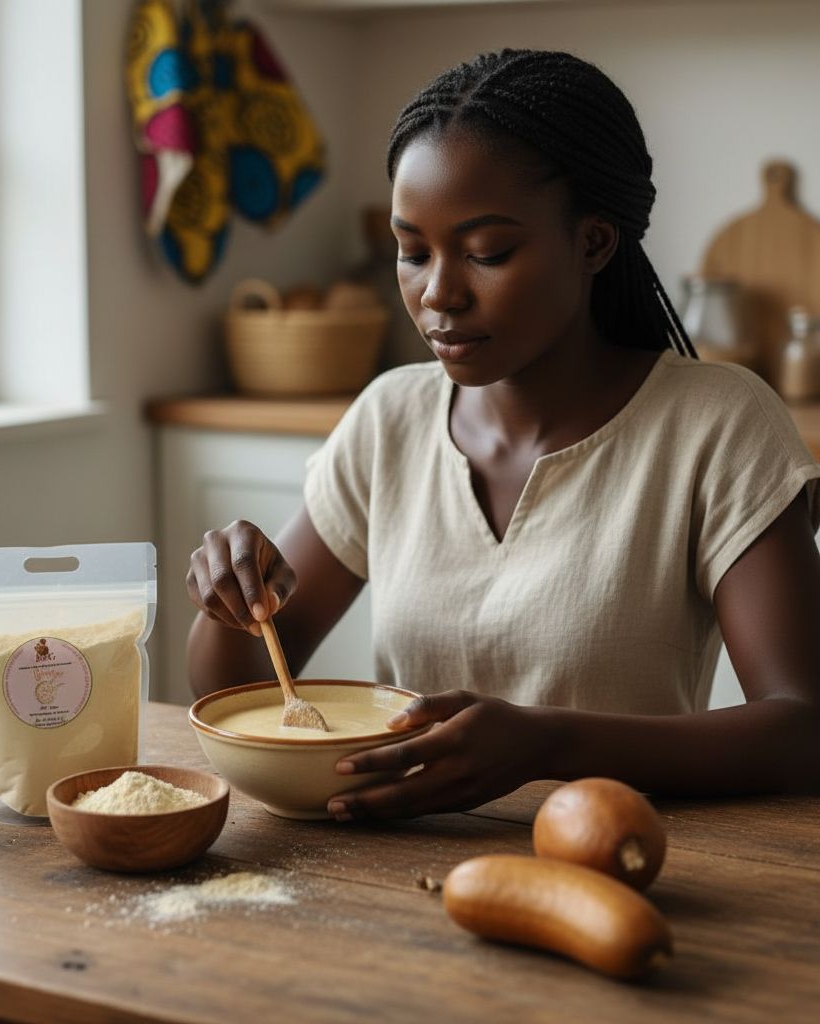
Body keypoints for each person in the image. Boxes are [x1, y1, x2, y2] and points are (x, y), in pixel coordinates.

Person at [185, 49, 820, 820]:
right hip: (396, 872)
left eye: (486, 253)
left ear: (593, 242)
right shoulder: (390, 419)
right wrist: (230, 600)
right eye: (412, 252)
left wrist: (550, 745)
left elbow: (802, 730)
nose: (438, 293)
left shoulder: (715, 425)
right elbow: (233, 694)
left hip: (625, 867)